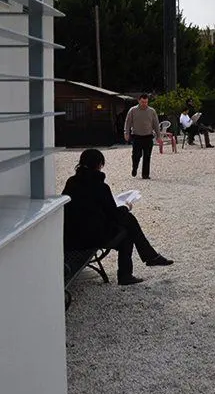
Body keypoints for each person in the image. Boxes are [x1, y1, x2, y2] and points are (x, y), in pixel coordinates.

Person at [62, 149, 174, 286]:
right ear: (99, 164)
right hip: (89, 237)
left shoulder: (71, 182)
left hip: (72, 233)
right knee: (127, 225)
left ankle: (147, 259)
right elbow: (112, 214)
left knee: (127, 224)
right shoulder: (101, 186)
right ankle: (135, 268)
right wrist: (126, 206)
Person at [124, 93, 161, 179]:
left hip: (148, 136)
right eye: (142, 102)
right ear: (139, 101)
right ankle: (135, 167)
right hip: (137, 136)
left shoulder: (152, 111)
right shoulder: (133, 110)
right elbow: (128, 122)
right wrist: (126, 133)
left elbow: (156, 124)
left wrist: (158, 136)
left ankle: (145, 174)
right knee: (136, 155)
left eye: (146, 102)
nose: (144, 104)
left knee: (147, 156)